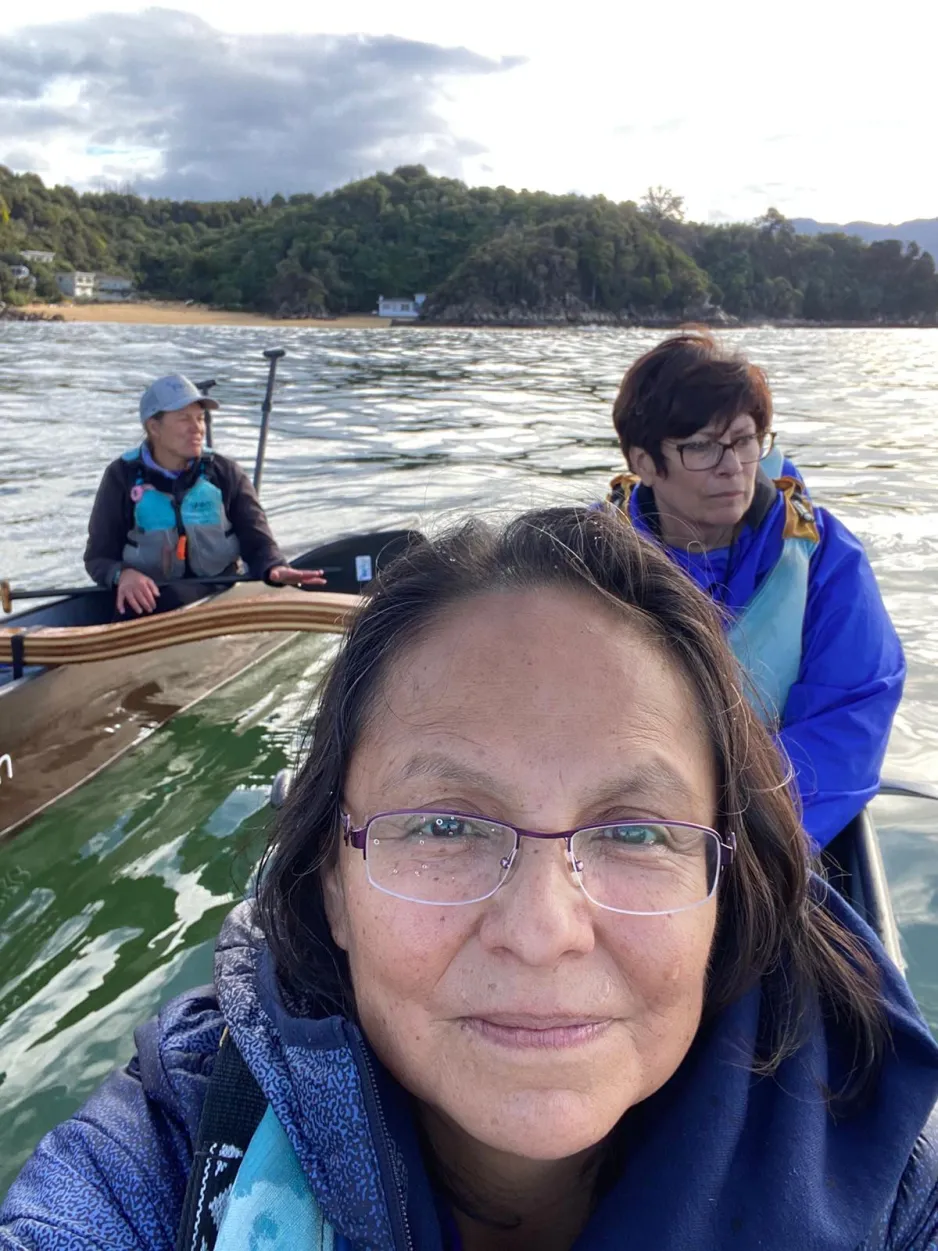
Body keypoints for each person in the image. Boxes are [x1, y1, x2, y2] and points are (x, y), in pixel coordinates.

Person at [2, 507, 937, 1251]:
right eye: (445, 825)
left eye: (636, 830)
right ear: (332, 879)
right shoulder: (166, 1155)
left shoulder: (889, 1177)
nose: (542, 929)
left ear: (723, 882)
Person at [605, 329, 905, 849]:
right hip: (624, 825)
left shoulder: (823, 556)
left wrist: (731, 845)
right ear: (644, 463)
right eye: (701, 446)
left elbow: (850, 716)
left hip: (772, 834)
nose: (732, 468)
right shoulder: (586, 559)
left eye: (744, 441)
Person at [83, 373, 324, 615]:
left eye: (200, 418)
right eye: (184, 419)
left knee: (181, 597)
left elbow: (258, 544)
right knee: (164, 600)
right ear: (154, 427)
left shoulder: (226, 472)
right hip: (149, 603)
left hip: (220, 593)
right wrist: (122, 574)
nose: (197, 428)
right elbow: (98, 558)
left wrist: (274, 568)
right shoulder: (120, 477)